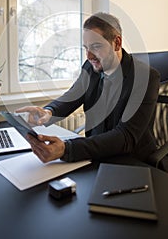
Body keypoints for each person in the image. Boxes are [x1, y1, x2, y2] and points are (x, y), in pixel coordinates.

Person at [16, 12, 160, 165]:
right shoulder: (91, 68)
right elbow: (72, 96)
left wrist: (67, 148)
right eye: (86, 48)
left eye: (96, 47)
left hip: (132, 162)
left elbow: (125, 137)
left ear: (117, 43)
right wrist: (48, 112)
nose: (89, 56)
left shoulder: (146, 78)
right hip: (96, 153)